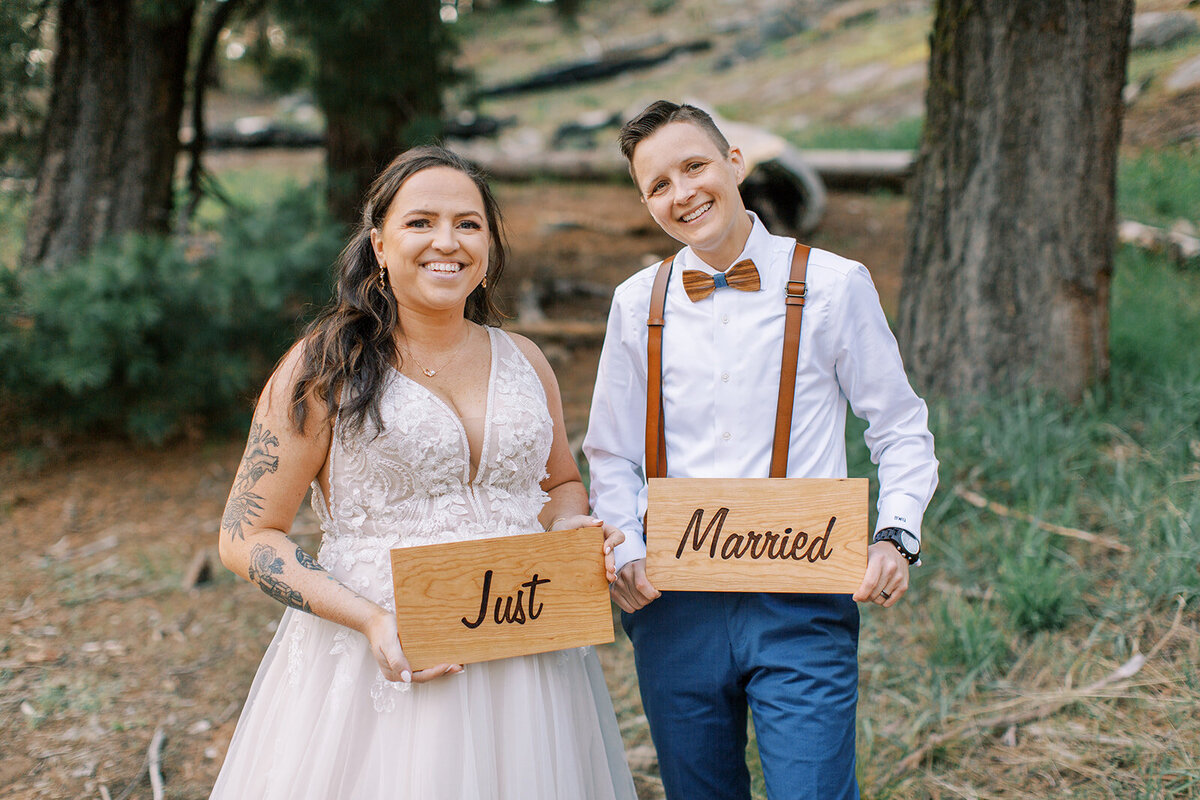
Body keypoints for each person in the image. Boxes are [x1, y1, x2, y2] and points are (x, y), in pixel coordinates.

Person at [211, 146, 637, 800]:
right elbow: (247, 537)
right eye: (421, 222)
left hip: (523, 646)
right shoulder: (324, 366)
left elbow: (559, 487)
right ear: (379, 244)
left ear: (489, 246)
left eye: (469, 223)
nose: (448, 241)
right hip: (380, 657)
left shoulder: (526, 360)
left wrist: (572, 528)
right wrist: (371, 620)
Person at [583, 101, 939, 800]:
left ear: (735, 162)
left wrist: (897, 537)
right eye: (658, 184)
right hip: (673, 601)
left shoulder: (835, 285)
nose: (681, 193)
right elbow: (613, 453)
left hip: (801, 593)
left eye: (694, 166)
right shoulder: (635, 302)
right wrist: (623, 550)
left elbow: (900, 428)